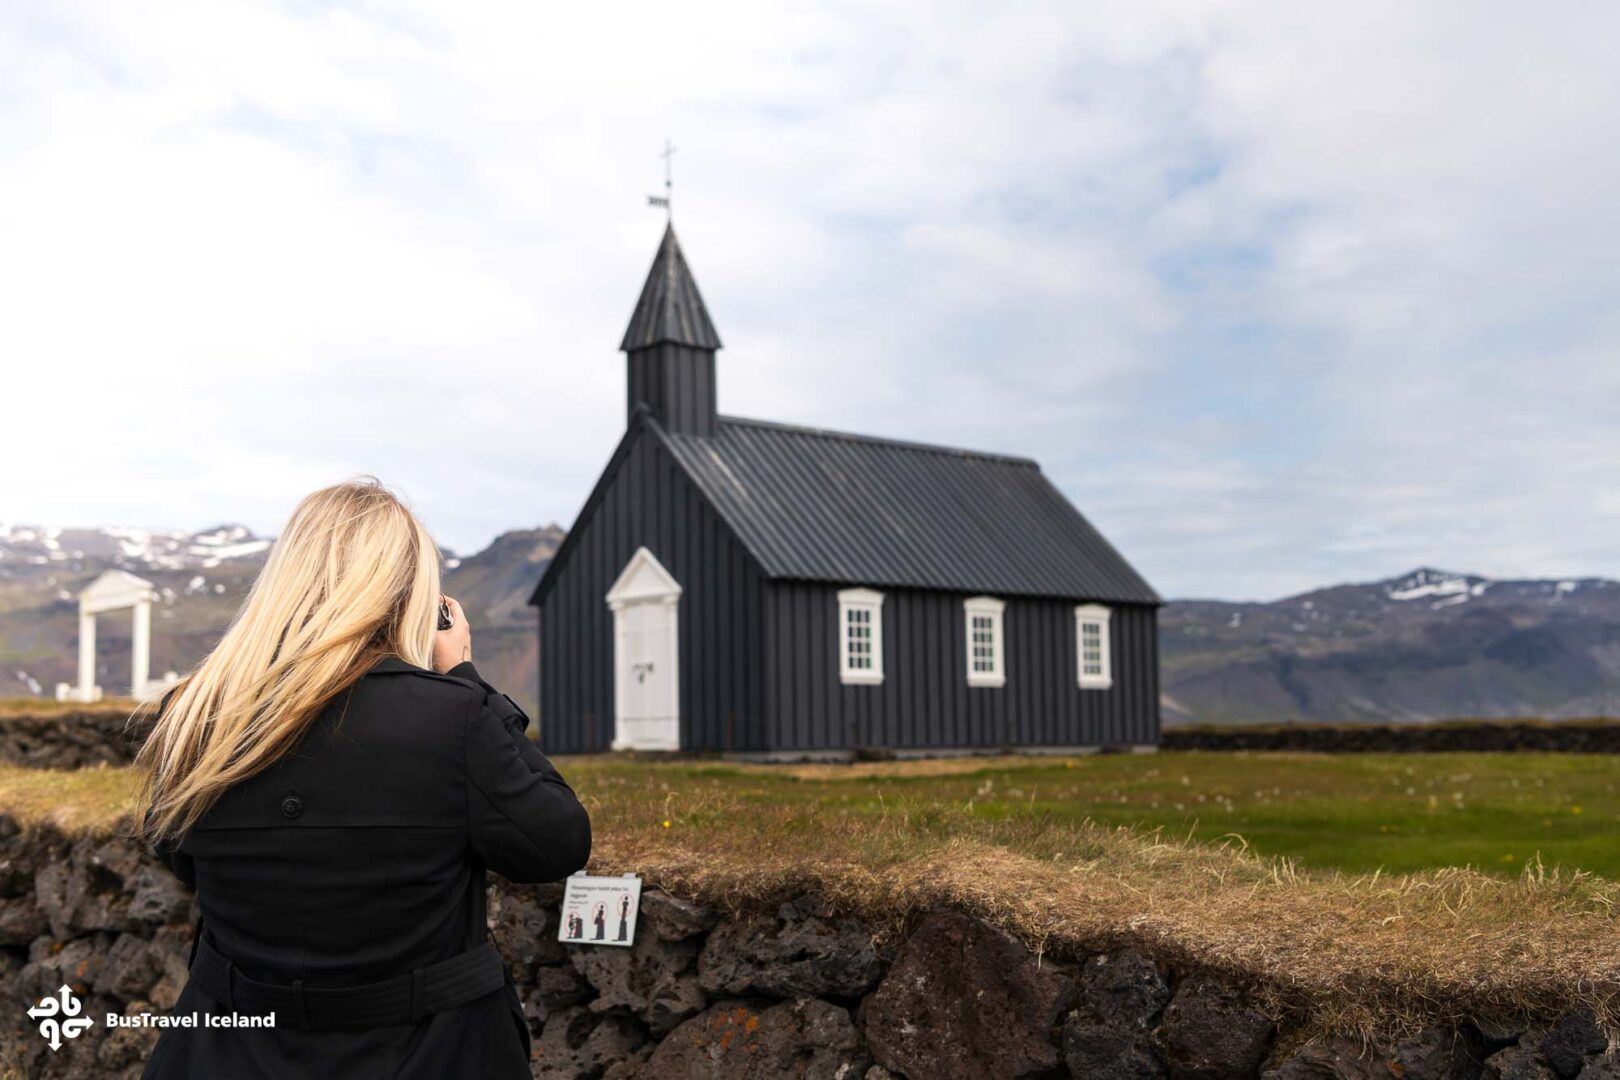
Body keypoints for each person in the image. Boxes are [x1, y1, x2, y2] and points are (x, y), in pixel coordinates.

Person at [133, 477, 591, 1079]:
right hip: (433, 1053)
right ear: (407, 594)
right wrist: (468, 679)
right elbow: (557, 843)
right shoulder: (452, 715)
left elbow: (183, 859)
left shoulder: (195, 715)